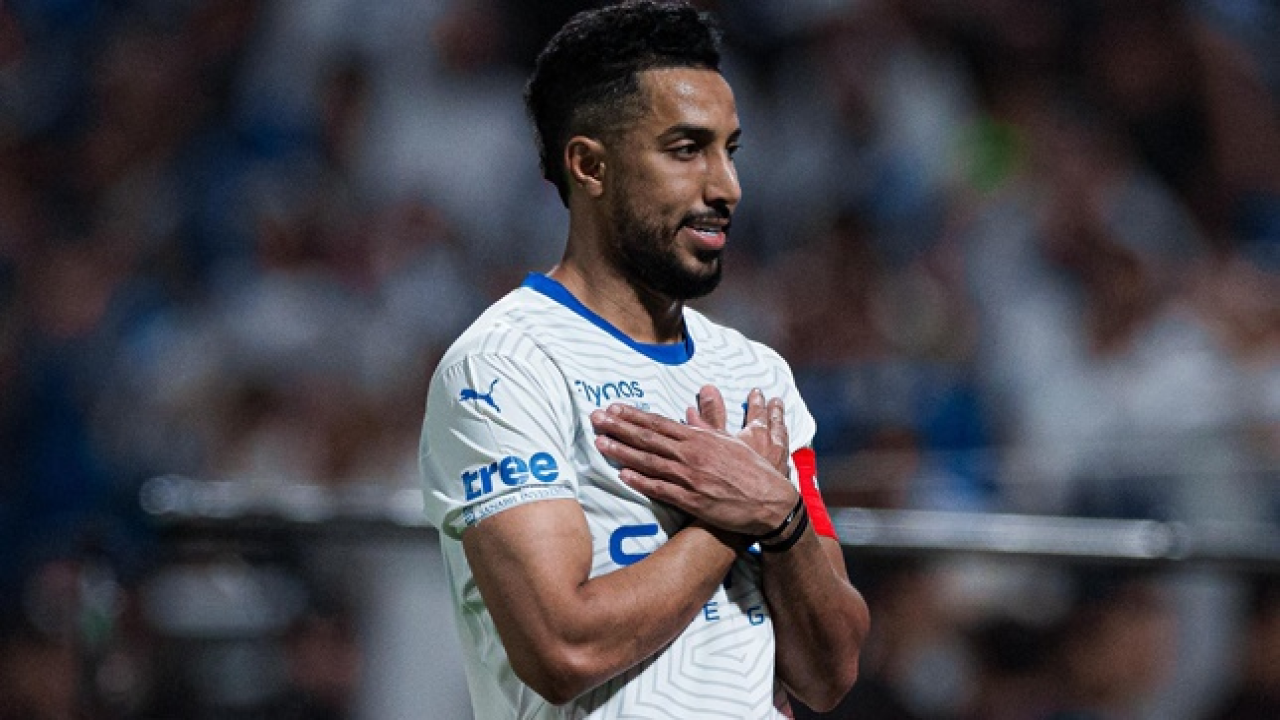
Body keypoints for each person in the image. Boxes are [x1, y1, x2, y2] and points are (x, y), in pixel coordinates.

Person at [419, 2, 869, 717]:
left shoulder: (759, 375)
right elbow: (563, 650)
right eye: (687, 150)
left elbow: (831, 672)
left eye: (730, 150)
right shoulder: (503, 366)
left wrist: (782, 518)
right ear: (589, 165)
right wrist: (730, 520)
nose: (726, 187)